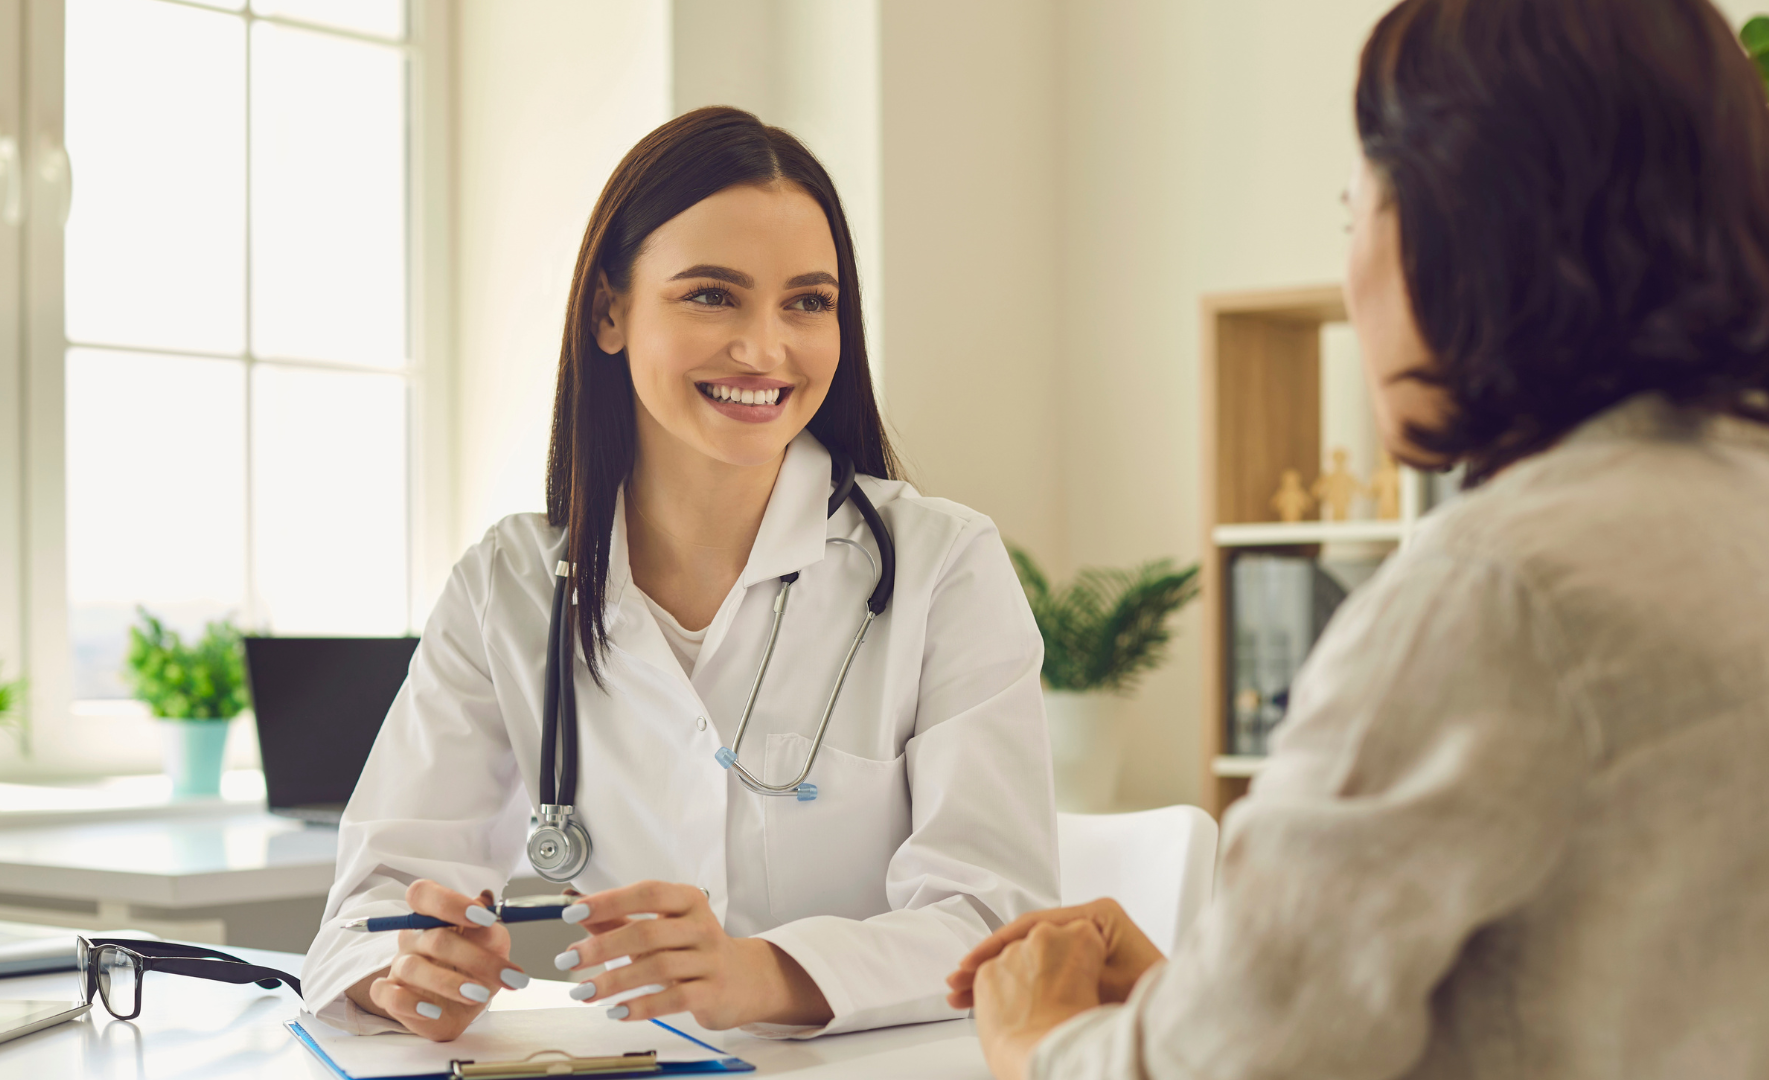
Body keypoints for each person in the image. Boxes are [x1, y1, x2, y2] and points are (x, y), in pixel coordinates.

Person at [949, 0, 1769, 1076]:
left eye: (1353, 214)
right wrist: (1194, 993)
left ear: (1457, 225)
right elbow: (1582, 980)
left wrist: (1036, 1038)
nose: (1350, 269)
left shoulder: (1495, 592)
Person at [299, 106, 1057, 1041]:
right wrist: (403, 967)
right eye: (712, 295)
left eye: (809, 302)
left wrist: (761, 974)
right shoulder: (511, 584)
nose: (765, 349)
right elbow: (372, 900)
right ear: (610, 312)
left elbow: (995, 917)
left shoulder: (942, 565)